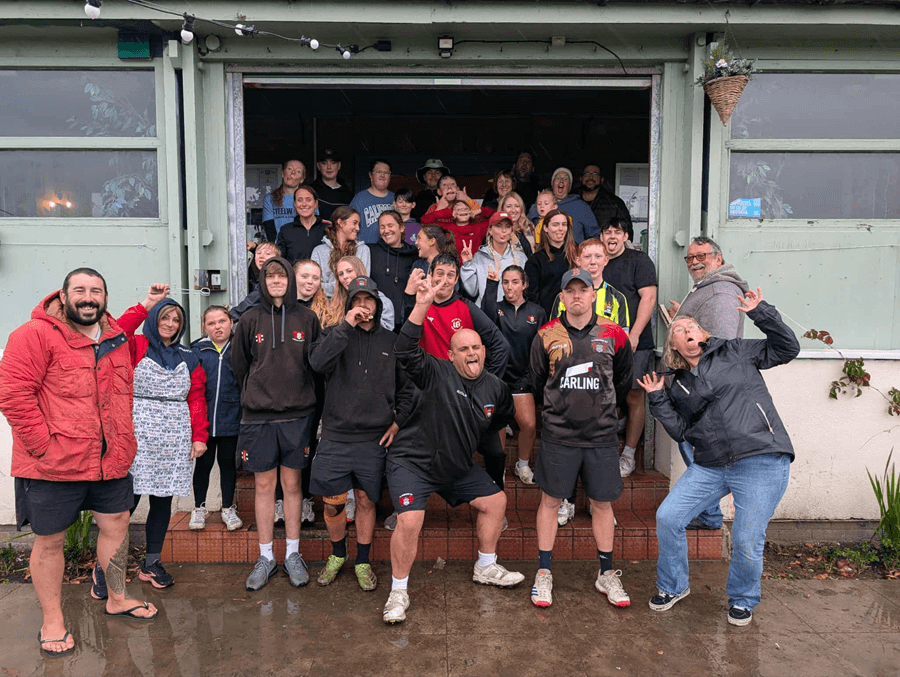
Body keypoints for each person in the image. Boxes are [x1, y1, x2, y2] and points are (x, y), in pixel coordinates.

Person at [0, 269, 160, 655]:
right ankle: (52, 620)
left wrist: (125, 443)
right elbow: (14, 395)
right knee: (50, 541)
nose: (88, 297)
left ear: (105, 298)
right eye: (80, 290)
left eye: (96, 291)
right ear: (63, 295)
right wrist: (43, 447)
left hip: (111, 460)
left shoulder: (115, 338)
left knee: (117, 526)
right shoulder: (33, 335)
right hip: (54, 465)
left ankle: (117, 598)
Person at [639, 288, 799, 627]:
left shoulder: (734, 350)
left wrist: (760, 312)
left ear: (703, 333)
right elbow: (681, 430)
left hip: (760, 457)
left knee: (746, 538)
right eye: (679, 330)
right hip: (711, 464)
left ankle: (742, 599)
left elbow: (787, 348)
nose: (686, 330)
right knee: (669, 516)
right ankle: (673, 586)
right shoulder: (678, 383)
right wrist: (657, 398)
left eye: (691, 326)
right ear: (674, 346)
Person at [382, 273, 523, 624]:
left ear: (484, 351)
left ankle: (485, 567)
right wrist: (422, 305)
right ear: (450, 354)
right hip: (412, 462)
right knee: (410, 519)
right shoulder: (435, 371)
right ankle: (398, 591)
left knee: (496, 502)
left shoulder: (496, 389)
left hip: (455, 465)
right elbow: (404, 350)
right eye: (463, 349)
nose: (471, 352)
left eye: (476, 347)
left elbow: (496, 426)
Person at [528, 268, 634, 609]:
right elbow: (537, 381)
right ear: (561, 297)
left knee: (602, 504)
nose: (577, 295)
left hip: (601, 435)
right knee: (550, 501)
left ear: (593, 294)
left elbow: (623, 380)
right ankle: (544, 572)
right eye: (570, 290)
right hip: (559, 435)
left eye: (583, 290)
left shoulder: (613, 333)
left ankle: (606, 573)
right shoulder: (546, 334)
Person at [308, 277, 414, 590]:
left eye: (369, 300)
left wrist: (398, 422)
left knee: (367, 501)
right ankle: (338, 553)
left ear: (377, 305)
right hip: (336, 434)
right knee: (333, 503)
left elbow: (408, 389)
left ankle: (363, 561)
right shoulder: (335, 333)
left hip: (374, 437)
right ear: (350, 304)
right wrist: (346, 325)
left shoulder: (391, 341)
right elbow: (317, 363)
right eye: (357, 300)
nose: (363, 306)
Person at [232, 256, 321, 591]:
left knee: (293, 486)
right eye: (270, 276)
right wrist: (257, 394)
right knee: (264, 487)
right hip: (258, 417)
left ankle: (293, 554)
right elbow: (240, 366)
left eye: (281, 276)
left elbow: (316, 366)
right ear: (263, 281)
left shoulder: (307, 318)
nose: (276, 281)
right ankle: (266, 556)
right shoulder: (249, 319)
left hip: (297, 416)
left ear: (290, 280)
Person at [117, 291, 209, 590]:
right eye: (164, 317)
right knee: (126, 502)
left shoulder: (188, 356)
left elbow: (196, 398)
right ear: (154, 319)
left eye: (176, 319)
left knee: (162, 501)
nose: (170, 323)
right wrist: (144, 305)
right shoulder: (136, 345)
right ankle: (108, 567)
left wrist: (199, 436)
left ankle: (152, 563)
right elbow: (114, 332)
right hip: (138, 434)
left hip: (174, 436)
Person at [665, 236, 750, 530]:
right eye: (690, 258)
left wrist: (701, 386)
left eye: (701, 256)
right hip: (701, 388)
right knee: (696, 448)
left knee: (698, 450)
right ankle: (708, 513)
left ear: (718, 258)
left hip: (705, 391)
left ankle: (710, 515)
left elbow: (720, 341)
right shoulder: (709, 287)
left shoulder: (721, 291)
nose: (694, 262)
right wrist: (682, 316)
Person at [548, 237, 630, 525]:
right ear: (578, 261)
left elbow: (622, 347)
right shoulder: (562, 297)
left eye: (598, 256)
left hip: (601, 389)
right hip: (567, 388)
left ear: (606, 260)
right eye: (587, 257)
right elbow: (551, 339)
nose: (593, 261)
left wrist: (612, 393)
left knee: (598, 455)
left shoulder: (617, 298)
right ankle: (566, 501)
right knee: (567, 450)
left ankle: (599, 504)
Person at [600, 217, 658, 478]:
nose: (612, 236)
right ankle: (607, 448)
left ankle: (629, 454)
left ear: (626, 236)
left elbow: (649, 298)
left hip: (636, 342)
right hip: (601, 343)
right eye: (607, 232)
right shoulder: (597, 261)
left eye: (617, 232)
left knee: (635, 395)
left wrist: (633, 335)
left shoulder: (639, 261)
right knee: (605, 395)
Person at [481, 264, 546, 484]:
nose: (509, 287)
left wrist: (531, 376)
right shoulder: (496, 308)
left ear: (524, 284)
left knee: (528, 424)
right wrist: (491, 284)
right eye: (505, 282)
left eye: (515, 282)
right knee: (498, 425)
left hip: (522, 379)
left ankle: (523, 465)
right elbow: (486, 322)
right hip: (498, 377)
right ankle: (498, 467)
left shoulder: (537, 312)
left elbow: (541, 348)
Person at [189, 306, 244, 532]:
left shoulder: (240, 348)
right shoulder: (197, 350)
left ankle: (227, 508)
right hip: (204, 420)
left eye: (222, 321)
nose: (217, 327)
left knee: (227, 464)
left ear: (231, 323)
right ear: (204, 327)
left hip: (231, 417)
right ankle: (199, 507)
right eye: (211, 323)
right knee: (203, 464)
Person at [293, 259, 329, 526]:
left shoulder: (326, 310)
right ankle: (282, 500)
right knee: (287, 446)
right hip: (284, 389)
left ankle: (305, 499)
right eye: (305, 276)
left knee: (307, 444)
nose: (310, 282)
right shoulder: (280, 308)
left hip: (314, 387)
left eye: (315, 278)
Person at [460, 211, 529, 306]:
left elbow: (526, 291)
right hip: (486, 312)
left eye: (507, 226)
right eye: (499, 226)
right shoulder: (480, 257)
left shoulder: (521, 257)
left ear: (511, 231)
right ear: (490, 230)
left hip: (513, 312)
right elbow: (472, 291)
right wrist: (468, 263)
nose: (503, 230)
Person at [370, 210, 418, 332]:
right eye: (382, 227)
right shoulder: (370, 251)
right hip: (379, 321)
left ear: (401, 228)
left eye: (390, 225)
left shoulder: (413, 254)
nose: (386, 231)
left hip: (406, 321)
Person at [321, 255, 395, 332]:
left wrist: (370, 317)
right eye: (341, 274)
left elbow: (387, 332)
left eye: (349, 271)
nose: (345, 276)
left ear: (359, 271)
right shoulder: (334, 302)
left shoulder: (383, 301)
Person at [524, 209, 578, 315]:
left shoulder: (578, 253)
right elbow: (531, 296)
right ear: (545, 228)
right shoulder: (535, 260)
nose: (560, 228)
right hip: (548, 316)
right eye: (555, 225)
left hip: (575, 314)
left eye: (564, 224)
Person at [311, 205, 371, 298]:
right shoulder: (319, 251)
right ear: (340, 223)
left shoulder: (363, 250)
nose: (357, 228)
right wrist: (347, 284)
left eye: (358, 224)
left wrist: (330, 286)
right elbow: (314, 285)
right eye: (354, 223)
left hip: (355, 302)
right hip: (327, 304)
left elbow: (362, 283)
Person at [527, 168, 598, 242]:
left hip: (573, 248)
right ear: (552, 184)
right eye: (558, 178)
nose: (561, 181)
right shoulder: (539, 205)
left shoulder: (581, 206)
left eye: (565, 179)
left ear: (569, 187)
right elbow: (526, 229)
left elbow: (595, 235)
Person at [422, 198, 494, 259]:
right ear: (454, 214)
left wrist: (480, 210)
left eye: (465, 209)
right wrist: (449, 213)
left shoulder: (479, 227)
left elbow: (497, 217)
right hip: (452, 265)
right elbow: (425, 220)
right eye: (459, 209)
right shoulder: (447, 227)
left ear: (470, 212)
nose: (463, 211)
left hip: (474, 266)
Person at [275, 186, 327, 264]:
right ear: (295, 204)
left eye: (308, 200)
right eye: (299, 200)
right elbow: (280, 261)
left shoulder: (327, 229)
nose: (304, 204)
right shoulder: (285, 230)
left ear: (316, 203)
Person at [578, 163, 632, 234]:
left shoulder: (615, 203)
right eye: (586, 174)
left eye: (595, 174)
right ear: (581, 179)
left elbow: (627, 230)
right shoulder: (572, 200)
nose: (590, 178)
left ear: (602, 179)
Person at [349, 159, 395, 244]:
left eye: (386, 172)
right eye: (378, 172)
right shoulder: (360, 199)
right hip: (366, 248)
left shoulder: (396, 199)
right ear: (370, 175)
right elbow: (349, 227)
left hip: (391, 249)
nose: (382, 175)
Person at [262, 159, 307, 241]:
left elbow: (312, 226)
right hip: (278, 245)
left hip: (301, 244)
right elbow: (269, 229)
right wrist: (277, 246)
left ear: (302, 179)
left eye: (298, 171)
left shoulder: (308, 199)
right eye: (289, 169)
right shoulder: (269, 198)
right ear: (283, 173)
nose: (293, 173)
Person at [311, 148, 352, 222]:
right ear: (318, 166)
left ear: (339, 165)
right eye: (324, 163)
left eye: (333, 163)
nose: (329, 167)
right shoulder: (311, 191)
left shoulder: (347, 194)